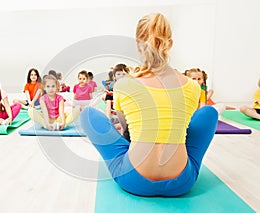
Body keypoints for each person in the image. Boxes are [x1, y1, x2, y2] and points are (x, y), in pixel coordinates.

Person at [80, 13, 218, 197]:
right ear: (170, 43)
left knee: (87, 115)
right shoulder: (192, 86)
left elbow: (126, 129)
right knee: (209, 113)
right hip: (181, 183)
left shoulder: (123, 85)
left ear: (138, 44)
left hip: (133, 180)